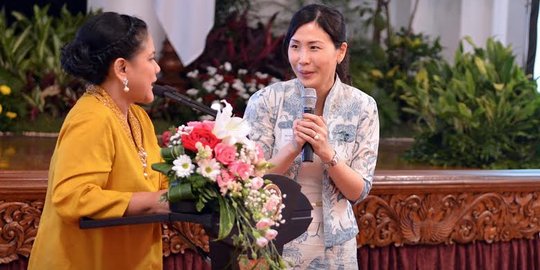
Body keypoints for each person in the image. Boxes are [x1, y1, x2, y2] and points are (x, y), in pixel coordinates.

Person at [28, 12, 169, 270]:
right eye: (150, 58)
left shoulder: (138, 117)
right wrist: (157, 201)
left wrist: (206, 178)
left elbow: (159, 179)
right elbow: (73, 198)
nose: (158, 68)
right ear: (122, 68)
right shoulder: (91, 118)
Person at [244, 4, 379, 269]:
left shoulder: (362, 106)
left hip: (336, 248)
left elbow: (358, 190)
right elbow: (249, 182)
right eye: (295, 47)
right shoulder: (266, 101)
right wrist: (293, 147)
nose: (302, 58)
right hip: (273, 239)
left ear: (340, 52)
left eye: (314, 47)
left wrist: (328, 154)